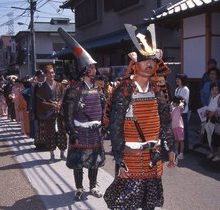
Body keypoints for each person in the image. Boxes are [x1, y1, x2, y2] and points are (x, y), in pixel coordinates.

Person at [103, 23, 176, 210]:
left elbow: (165, 122)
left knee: (150, 203)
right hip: (131, 157)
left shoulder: (158, 89)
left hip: (153, 155)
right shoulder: (124, 90)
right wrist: (119, 158)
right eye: (144, 60)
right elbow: (116, 127)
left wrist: (170, 148)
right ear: (135, 64)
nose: (149, 64)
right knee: (128, 203)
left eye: (152, 60)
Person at [58, 27, 106, 201]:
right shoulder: (73, 90)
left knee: (94, 160)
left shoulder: (97, 89)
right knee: (79, 162)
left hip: (95, 131)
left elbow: (103, 110)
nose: (95, 69)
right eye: (92, 67)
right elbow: (67, 114)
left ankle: (93, 185)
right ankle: (79, 188)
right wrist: (72, 132)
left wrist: (104, 127)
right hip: (80, 131)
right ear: (86, 70)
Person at [35, 64, 67, 162]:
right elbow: (40, 101)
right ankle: (52, 154)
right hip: (49, 114)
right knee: (50, 133)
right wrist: (51, 105)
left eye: (52, 72)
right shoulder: (42, 88)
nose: (51, 75)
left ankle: (62, 153)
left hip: (59, 113)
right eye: (49, 73)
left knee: (62, 132)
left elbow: (63, 96)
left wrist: (59, 103)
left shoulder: (59, 85)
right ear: (45, 74)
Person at [175, 74, 190, 152]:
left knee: (183, 130)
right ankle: (178, 148)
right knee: (177, 130)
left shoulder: (185, 89)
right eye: (176, 79)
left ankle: (185, 149)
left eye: (179, 79)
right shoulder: (177, 89)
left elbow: (183, 101)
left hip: (183, 113)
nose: (177, 80)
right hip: (176, 113)